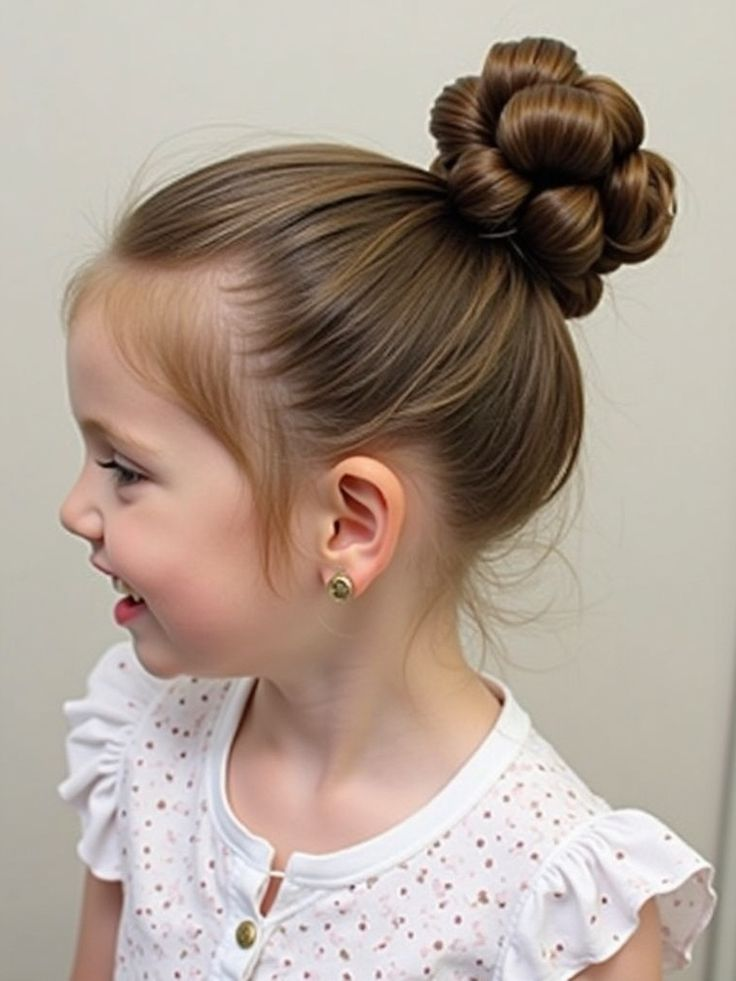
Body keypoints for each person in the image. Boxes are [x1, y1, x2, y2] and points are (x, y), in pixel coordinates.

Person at [58, 35, 716, 981]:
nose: (76, 508)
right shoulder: (141, 741)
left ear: (348, 525)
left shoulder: (556, 906)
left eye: (124, 468)